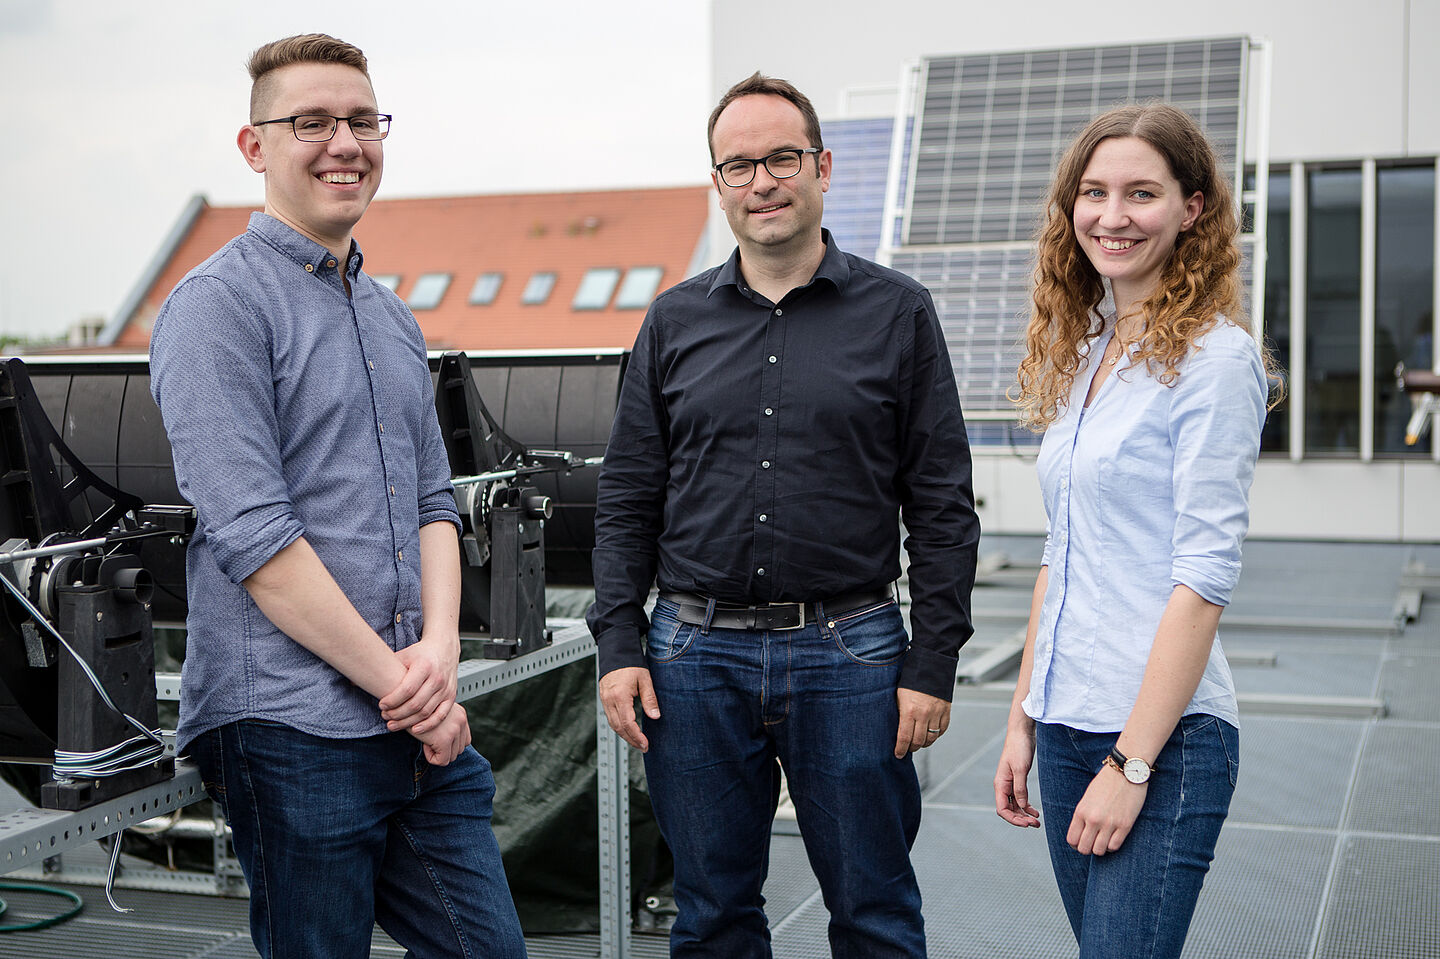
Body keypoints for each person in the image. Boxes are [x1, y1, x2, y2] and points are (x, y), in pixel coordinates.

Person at [149, 34, 526, 958]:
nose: (343, 142)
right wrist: (412, 687)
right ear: (255, 147)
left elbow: (438, 500)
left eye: (361, 120)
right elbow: (256, 539)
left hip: (410, 712)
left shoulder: (391, 316)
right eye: (310, 121)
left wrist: (438, 654)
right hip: (290, 725)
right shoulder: (216, 308)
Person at [588, 72, 980, 957]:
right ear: (718, 184)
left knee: (875, 911)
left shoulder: (898, 313)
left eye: (781, 158)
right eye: (739, 165)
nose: (761, 180)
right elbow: (627, 498)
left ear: (822, 166)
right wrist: (619, 644)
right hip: (691, 658)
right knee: (713, 917)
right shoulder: (671, 322)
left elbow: (943, 507)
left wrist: (933, 660)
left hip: (852, 652)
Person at [993, 103, 1272, 959]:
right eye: (1094, 192)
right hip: (1069, 723)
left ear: (1192, 208)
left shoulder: (1218, 361)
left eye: (1141, 193)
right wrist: (1021, 717)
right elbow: (1061, 551)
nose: (1111, 216)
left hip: (1164, 740)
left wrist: (1133, 765)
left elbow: (1203, 581)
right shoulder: (1088, 352)